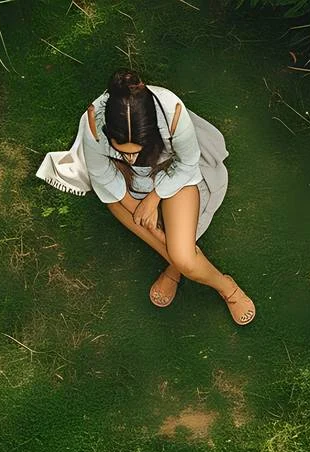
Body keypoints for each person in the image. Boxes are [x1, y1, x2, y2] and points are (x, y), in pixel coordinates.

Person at [73, 69, 254, 325]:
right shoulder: (93, 125)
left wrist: (154, 198)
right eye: (122, 151)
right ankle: (207, 277)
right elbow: (104, 177)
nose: (131, 158)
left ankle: (217, 284)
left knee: (183, 256)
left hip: (170, 173)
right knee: (171, 245)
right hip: (121, 186)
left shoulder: (172, 112)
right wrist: (142, 214)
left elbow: (187, 164)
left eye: (137, 150)